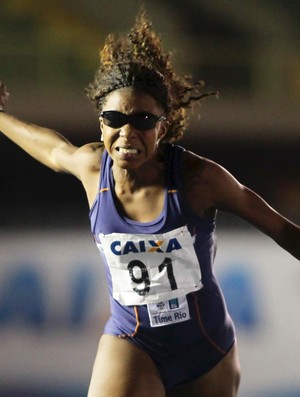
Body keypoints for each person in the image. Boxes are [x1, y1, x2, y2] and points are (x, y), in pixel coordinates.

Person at [0, 10, 299, 397]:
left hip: (205, 351)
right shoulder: (93, 168)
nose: (127, 133)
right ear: (101, 123)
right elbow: (52, 149)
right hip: (133, 342)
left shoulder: (198, 179)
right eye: (114, 118)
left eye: (142, 119)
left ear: (163, 124)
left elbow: (281, 228)